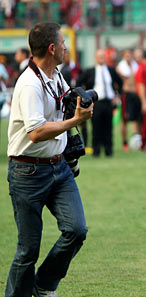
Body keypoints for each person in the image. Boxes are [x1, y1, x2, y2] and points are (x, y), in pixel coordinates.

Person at [5, 22, 93, 297]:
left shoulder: (55, 74)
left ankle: (43, 285)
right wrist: (76, 121)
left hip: (59, 167)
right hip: (27, 172)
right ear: (52, 48)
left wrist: (78, 101)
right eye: (64, 43)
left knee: (76, 230)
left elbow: (64, 100)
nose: (67, 47)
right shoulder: (29, 83)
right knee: (27, 250)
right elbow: (35, 133)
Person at [77, 49, 123, 157]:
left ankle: (108, 150)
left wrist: (117, 96)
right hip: (96, 103)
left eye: (103, 56)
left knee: (108, 127)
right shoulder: (90, 71)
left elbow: (120, 83)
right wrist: (86, 97)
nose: (101, 58)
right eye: (99, 56)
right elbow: (79, 83)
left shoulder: (111, 70)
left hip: (109, 102)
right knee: (96, 127)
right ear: (95, 57)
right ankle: (96, 150)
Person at [116, 49, 141, 151]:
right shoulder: (120, 67)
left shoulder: (136, 66)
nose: (128, 57)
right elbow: (121, 79)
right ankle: (125, 142)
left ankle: (137, 139)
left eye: (130, 55)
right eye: (126, 56)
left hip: (136, 94)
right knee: (125, 119)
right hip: (126, 94)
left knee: (137, 118)